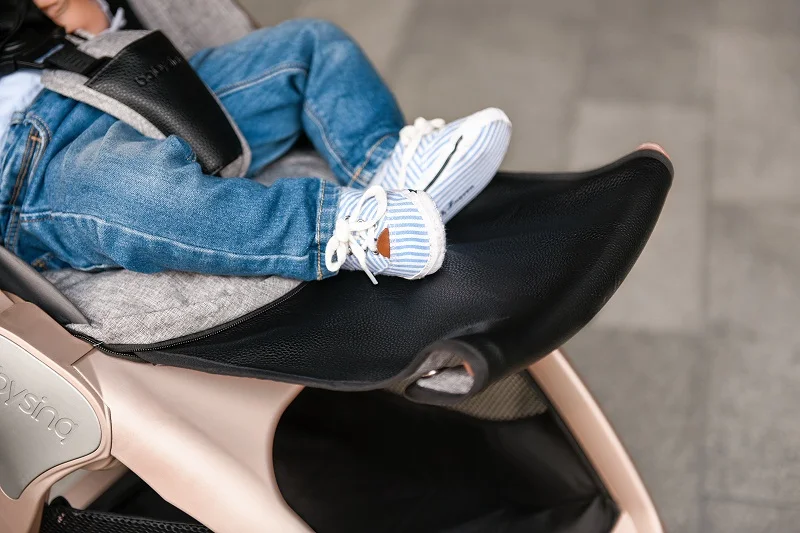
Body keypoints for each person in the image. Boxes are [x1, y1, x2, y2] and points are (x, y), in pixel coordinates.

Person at [0, 0, 511, 284]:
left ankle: (386, 166)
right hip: (33, 169)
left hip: (106, 75)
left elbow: (98, 27)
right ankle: (347, 229)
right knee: (136, 192)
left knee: (310, 45)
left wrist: (76, 10)